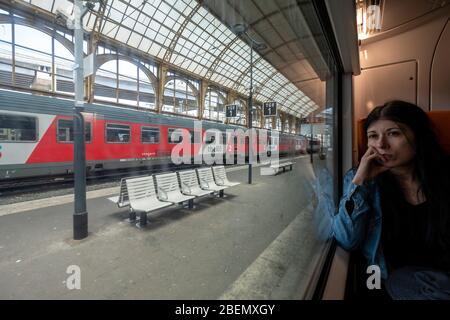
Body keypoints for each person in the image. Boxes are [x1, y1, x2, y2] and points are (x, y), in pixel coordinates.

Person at [333, 100, 450, 300]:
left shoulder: (444, 175)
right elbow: (347, 240)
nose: (381, 145)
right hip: (390, 285)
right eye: (373, 136)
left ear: (418, 136)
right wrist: (361, 181)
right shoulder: (362, 182)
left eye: (394, 133)